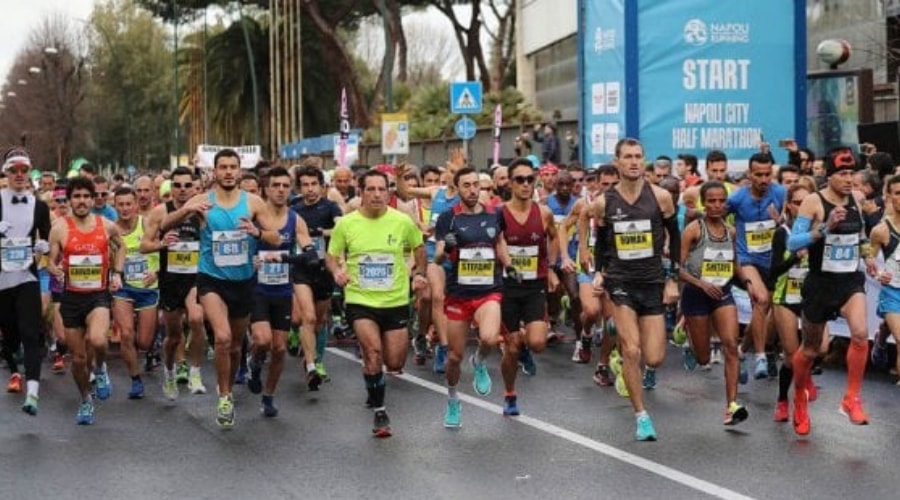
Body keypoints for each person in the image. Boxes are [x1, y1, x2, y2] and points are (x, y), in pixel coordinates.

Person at [161, 148, 281, 428]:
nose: (228, 172)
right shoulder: (202, 200)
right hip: (211, 280)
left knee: (236, 346)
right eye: (223, 167)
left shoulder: (253, 202)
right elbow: (164, 224)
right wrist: (187, 210)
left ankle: (232, 376)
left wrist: (258, 233)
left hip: (242, 282)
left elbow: (275, 237)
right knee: (223, 338)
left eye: (233, 167)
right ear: (214, 172)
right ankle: (225, 398)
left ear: (239, 171)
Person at [588, 138, 680, 441]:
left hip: (652, 282)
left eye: (638, 156)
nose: (633, 162)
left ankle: (623, 352)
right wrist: (600, 273)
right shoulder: (604, 202)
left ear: (645, 161)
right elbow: (601, 243)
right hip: (621, 283)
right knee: (633, 349)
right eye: (627, 157)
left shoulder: (662, 197)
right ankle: (641, 416)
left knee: (653, 358)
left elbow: (675, 238)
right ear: (617, 161)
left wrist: (672, 279)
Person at [326, 169, 426, 437]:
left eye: (382, 189)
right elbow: (332, 255)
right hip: (361, 299)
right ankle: (380, 411)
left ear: (389, 192)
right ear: (361, 193)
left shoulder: (402, 221)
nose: (377, 194)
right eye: (370, 189)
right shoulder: (346, 224)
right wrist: (337, 272)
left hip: (394, 300)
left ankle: (373, 380)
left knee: (393, 363)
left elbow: (419, 248)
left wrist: (419, 274)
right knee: (372, 353)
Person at [788, 146, 874, 435]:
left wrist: (870, 258)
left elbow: (861, 237)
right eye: (843, 173)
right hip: (820, 283)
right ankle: (799, 397)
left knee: (861, 334)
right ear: (829, 175)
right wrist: (825, 227)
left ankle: (851, 398)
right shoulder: (813, 201)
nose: (850, 179)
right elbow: (793, 244)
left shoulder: (857, 200)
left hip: (850, 280)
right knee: (813, 349)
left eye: (853, 173)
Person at [47, 176, 126, 425]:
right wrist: (55, 269)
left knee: (99, 340)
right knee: (79, 359)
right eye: (76, 197)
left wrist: (117, 273)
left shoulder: (106, 225)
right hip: (71, 298)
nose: (81, 201)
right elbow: (50, 260)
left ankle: (101, 370)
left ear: (93, 199)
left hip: (98, 296)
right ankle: (85, 399)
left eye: (86, 197)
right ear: (70, 200)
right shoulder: (60, 227)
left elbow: (121, 246)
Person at [435, 167, 506, 428]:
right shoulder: (448, 218)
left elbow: (499, 243)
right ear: (457, 188)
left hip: (489, 290)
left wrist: (510, 265)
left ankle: (479, 361)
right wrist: (448, 247)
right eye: (466, 185)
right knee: (454, 357)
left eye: (476, 184)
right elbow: (438, 257)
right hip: (459, 294)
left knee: (489, 338)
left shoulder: (494, 214)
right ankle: (453, 400)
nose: (473, 190)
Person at [678, 181, 749, 425]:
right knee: (703, 359)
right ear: (703, 203)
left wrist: (748, 283)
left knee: (731, 345)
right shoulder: (693, 230)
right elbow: (678, 268)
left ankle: (731, 406)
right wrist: (701, 284)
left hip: (722, 293)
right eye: (712, 201)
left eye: (721, 201)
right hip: (696, 295)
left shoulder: (731, 231)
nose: (717, 205)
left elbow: (734, 262)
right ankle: (686, 331)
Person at [248, 167, 316, 416]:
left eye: (285, 186)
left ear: (291, 189)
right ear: (266, 188)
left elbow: (308, 248)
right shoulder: (254, 216)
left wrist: (304, 254)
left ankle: (268, 396)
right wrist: (249, 261)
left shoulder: (295, 219)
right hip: (256, 289)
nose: (280, 190)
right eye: (275, 185)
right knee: (263, 340)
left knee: (279, 348)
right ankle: (254, 361)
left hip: (282, 291)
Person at [498, 159, 560, 415]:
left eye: (529, 179)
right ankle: (510, 393)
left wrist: (553, 268)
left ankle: (524, 344)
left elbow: (555, 237)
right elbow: (497, 242)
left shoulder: (543, 213)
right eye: (520, 180)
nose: (525, 184)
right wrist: (509, 263)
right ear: (511, 183)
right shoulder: (499, 213)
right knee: (510, 347)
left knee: (537, 343)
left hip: (534, 285)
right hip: (507, 287)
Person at [141, 166, 207, 400]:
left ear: (194, 186)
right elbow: (144, 245)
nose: (182, 190)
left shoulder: (203, 211)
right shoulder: (160, 212)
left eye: (187, 185)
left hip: (196, 277)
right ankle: (169, 372)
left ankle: (196, 373)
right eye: (177, 185)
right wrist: (161, 244)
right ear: (172, 187)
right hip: (170, 279)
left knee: (197, 319)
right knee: (174, 336)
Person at [0, 148, 52, 415]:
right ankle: (12, 356)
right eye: (14, 170)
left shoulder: (39, 205)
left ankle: (32, 393)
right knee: (10, 337)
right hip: (1, 281)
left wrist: (44, 247)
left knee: (31, 335)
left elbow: (48, 238)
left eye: (24, 170)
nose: (19, 175)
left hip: (27, 277)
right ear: (6, 173)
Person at [726, 153, 786, 381]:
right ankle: (760, 356)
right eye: (758, 175)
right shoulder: (737, 198)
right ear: (750, 175)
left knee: (762, 311)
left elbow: (792, 224)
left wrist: (780, 221)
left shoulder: (780, 193)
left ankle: (741, 352)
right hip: (747, 259)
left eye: (767, 174)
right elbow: (716, 217)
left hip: (773, 261)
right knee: (760, 300)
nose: (763, 179)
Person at [290, 165, 344, 386]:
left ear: (322, 186)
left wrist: (322, 232)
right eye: (305, 185)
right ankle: (312, 365)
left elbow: (342, 228)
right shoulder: (293, 208)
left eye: (314, 184)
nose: (310, 189)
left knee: (320, 320)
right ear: (299, 187)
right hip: (301, 268)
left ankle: (316, 356)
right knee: (307, 317)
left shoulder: (331, 207)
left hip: (324, 269)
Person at [770, 183, 815, 422]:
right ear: (789, 205)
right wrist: (794, 259)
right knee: (791, 355)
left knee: (821, 348)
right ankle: (783, 399)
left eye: (807, 202)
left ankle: (805, 380)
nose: (802, 207)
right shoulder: (783, 233)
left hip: (810, 298)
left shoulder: (818, 232)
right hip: (785, 297)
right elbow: (773, 271)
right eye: (798, 203)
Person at [111, 186, 160, 400]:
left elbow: (163, 249)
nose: (125, 208)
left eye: (128, 203)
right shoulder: (110, 230)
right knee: (127, 334)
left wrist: (156, 272)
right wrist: (113, 276)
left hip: (148, 287)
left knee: (143, 342)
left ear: (135, 205)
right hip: (123, 288)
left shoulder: (147, 224)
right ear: (115, 206)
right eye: (120, 204)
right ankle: (135, 379)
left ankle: (151, 348)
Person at [870, 175, 900, 384]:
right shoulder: (881, 230)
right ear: (888, 196)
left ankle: (881, 335)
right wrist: (879, 274)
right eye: (898, 193)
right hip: (892, 291)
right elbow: (868, 259)